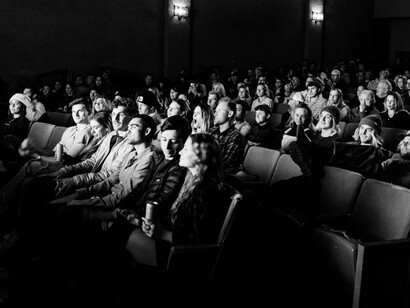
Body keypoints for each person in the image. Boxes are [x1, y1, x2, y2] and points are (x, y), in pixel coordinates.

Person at [124, 133, 231, 268]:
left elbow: (195, 238)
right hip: (172, 243)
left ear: (201, 155)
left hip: (180, 255)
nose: (180, 151)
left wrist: (161, 234)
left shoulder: (206, 190)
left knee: (121, 233)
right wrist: (142, 222)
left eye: (186, 148)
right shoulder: (192, 180)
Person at [207, 99, 246, 175]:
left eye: (219, 110)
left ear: (230, 114)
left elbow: (227, 162)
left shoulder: (235, 136)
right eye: (215, 111)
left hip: (221, 174)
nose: (215, 114)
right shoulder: (210, 131)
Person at [0, 94, 31, 162]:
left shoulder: (24, 121)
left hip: (13, 148)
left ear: (22, 106)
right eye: (11, 103)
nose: (12, 106)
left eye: (16, 104)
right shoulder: (8, 119)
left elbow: (16, 138)